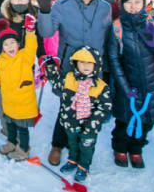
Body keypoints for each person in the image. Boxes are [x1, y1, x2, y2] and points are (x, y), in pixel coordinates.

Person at [36, 0, 117, 166]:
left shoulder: (105, 8)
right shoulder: (63, 5)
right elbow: (46, 33)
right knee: (67, 106)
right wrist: (45, 11)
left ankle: (81, 148)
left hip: (94, 67)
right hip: (71, 65)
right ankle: (58, 144)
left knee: (90, 107)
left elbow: (109, 38)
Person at [108, 0, 154, 169]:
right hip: (129, 82)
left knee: (146, 120)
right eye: (129, 2)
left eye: (137, 2)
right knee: (124, 120)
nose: (133, 6)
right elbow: (113, 59)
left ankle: (136, 149)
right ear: (122, 4)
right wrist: (125, 88)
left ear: (144, 4)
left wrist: (153, 43)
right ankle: (120, 147)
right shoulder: (117, 27)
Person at [43, 47, 112, 182]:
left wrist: (93, 123)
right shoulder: (69, 78)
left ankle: (84, 165)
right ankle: (73, 159)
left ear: (96, 65)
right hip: (71, 123)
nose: (85, 66)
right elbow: (57, 86)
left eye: (89, 63)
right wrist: (51, 69)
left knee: (86, 147)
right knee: (72, 143)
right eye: (81, 62)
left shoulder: (100, 87)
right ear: (75, 64)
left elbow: (105, 107)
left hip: (89, 127)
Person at [0, 16, 38, 161]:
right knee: (10, 125)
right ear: (2, 47)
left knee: (22, 130)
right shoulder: (0, 60)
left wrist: (30, 31)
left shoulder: (25, 57)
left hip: (23, 102)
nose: (10, 47)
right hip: (9, 102)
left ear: (18, 44)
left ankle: (23, 150)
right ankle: (11, 143)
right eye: (6, 44)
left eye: (13, 43)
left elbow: (32, 46)